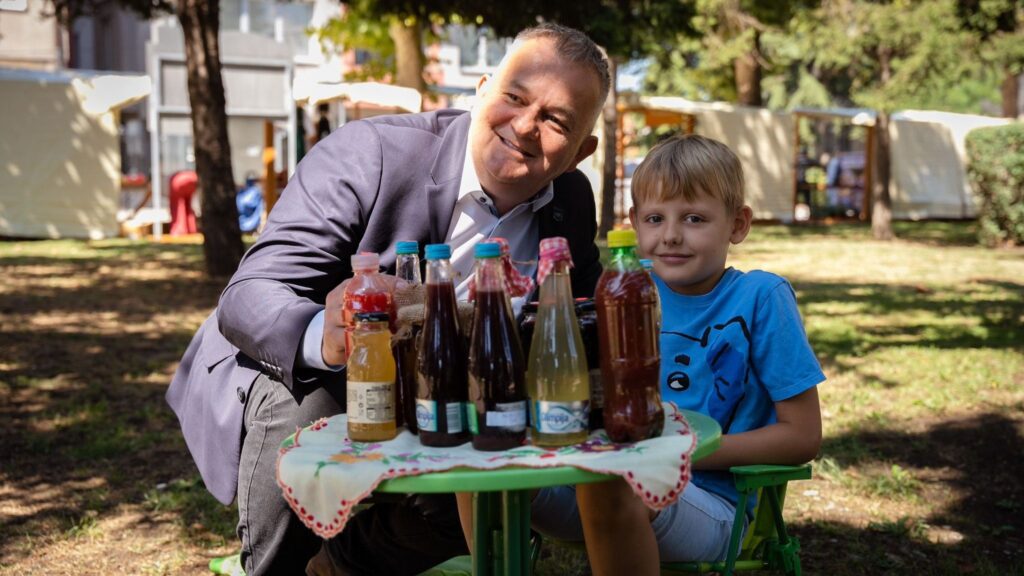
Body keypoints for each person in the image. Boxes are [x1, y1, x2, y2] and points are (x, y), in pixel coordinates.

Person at [165, 23, 610, 576]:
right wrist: (325, 335)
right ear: (481, 90)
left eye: (555, 120)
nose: (524, 126)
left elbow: (581, 318)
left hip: (451, 399)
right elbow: (250, 293)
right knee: (308, 406)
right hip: (310, 373)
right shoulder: (370, 152)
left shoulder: (571, 199)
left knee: (491, 478)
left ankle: (338, 564)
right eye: (514, 98)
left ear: (581, 151)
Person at [524, 135, 824, 576]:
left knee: (617, 486)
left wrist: (677, 453)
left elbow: (802, 437)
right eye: (654, 218)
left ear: (738, 224)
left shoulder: (761, 297)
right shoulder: (623, 292)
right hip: (603, 480)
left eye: (694, 218)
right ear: (634, 224)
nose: (670, 235)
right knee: (488, 476)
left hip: (712, 503)